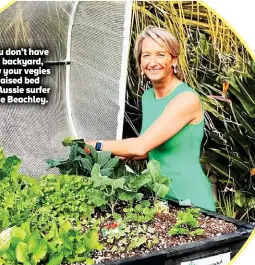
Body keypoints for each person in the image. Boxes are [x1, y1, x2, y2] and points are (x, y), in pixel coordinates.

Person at [87, 26, 216, 212]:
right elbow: (146, 151)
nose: (152, 62)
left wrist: (95, 145)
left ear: (174, 59)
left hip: (191, 198)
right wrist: (119, 155)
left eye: (160, 54)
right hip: (160, 195)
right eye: (146, 55)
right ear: (140, 62)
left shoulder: (186, 99)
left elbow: (141, 145)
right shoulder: (148, 97)